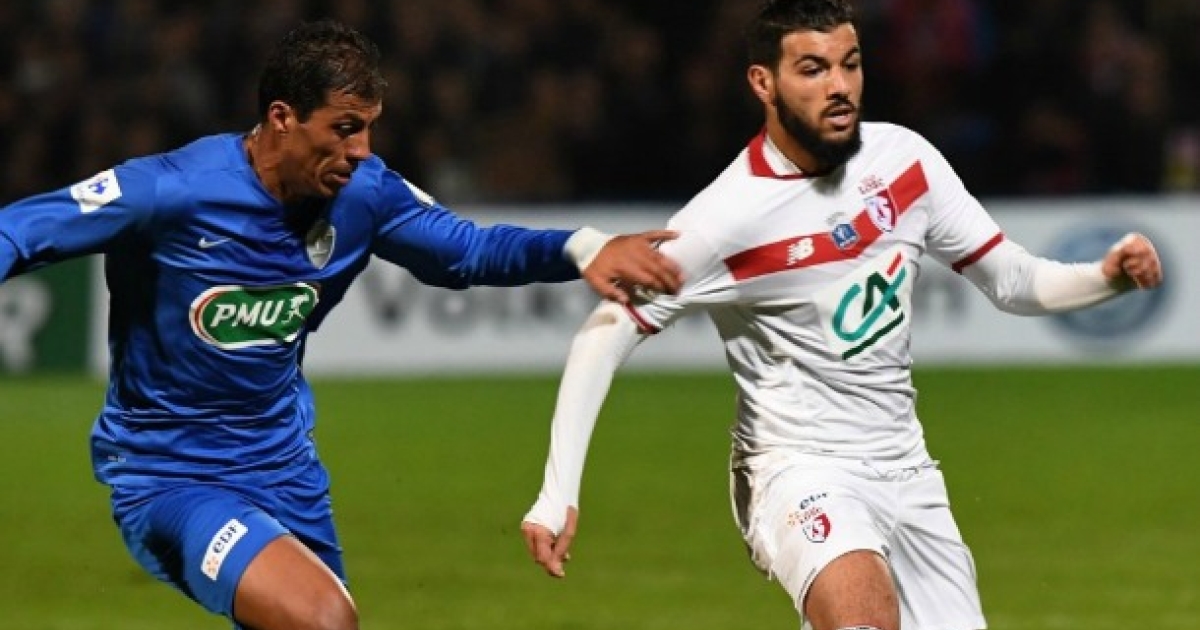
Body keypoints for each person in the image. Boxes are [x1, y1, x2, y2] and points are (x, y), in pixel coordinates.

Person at [0, 19, 683, 630]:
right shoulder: (171, 191)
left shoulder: (365, 194)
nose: (361, 150)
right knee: (322, 619)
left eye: (369, 127)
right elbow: (18, 232)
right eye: (345, 127)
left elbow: (467, 251)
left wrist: (582, 247)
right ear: (282, 118)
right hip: (172, 477)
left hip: (286, 470)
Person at [519, 2, 1164, 630]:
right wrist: (557, 492)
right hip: (796, 467)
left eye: (849, 64)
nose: (839, 86)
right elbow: (603, 335)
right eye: (813, 69)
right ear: (763, 83)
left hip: (907, 467)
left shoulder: (904, 161)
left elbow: (1013, 280)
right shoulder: (725, 220)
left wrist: (1104, 277)